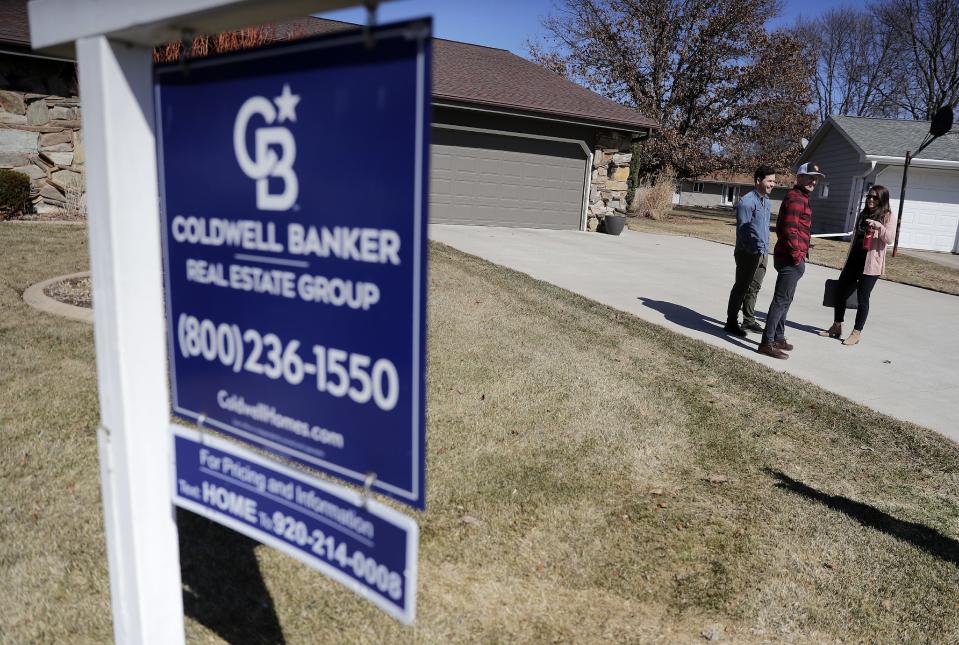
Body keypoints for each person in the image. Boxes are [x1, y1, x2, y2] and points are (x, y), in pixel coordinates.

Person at [758, 162, 825, 359]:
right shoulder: (796, 198)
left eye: (816, 178)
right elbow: (789, 230)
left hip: (790, 257)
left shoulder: (800, 197)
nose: (814, 181)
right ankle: (766, 342)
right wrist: (797, 256)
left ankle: (778, 337)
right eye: (810, 177)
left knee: (786, 300)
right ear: (800, 177)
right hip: (790, 258)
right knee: (781, 301)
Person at [819, 185, 896, 346]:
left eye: (875, 197)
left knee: (862, 298)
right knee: (840, 291)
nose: (871, 199)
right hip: (854, 260)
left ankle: (856, 333)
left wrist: (879, 226)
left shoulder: (888, 217)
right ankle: (837, 325)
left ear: (882, 200)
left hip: (870, 265)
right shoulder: (863, 214)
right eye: (869, 196)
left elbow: (889, 238)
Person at [724, 166, 777, 336]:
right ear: (757, 181)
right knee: (741, 287)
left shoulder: (767, 202)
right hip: (748, 253)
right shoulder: (747, 202)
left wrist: (764, 250)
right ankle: (731, 321)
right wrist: (751, 251)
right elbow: (743, 231)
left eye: (774, 181)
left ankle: (749, 320)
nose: (772, 184)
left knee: (754, 287)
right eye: (769, 180)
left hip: (763, 251)